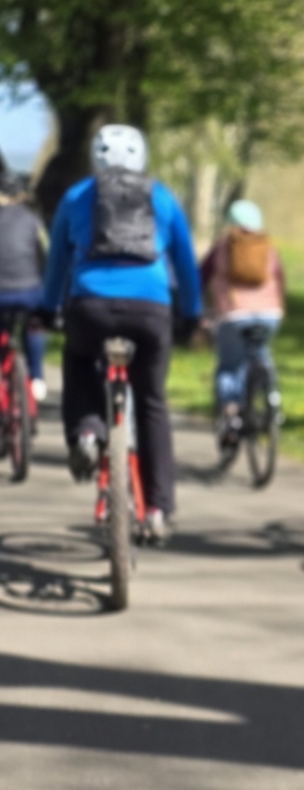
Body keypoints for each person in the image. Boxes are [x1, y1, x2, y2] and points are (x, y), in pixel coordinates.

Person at [42, 124, 202, 543]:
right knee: (151, 403)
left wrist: (48, 307)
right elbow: (186, 262)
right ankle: (158, 510)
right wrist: (192, 313)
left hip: (90, 306)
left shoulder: (76, 197)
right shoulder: (162, 197)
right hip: (150, 311)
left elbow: (58, 260)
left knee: (79, 360)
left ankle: (87, 431)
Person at [200, 199, 286, 447]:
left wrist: (200, 312)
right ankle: (271, 398)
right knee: (261, 354)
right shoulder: (269, 248)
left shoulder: (222, 247)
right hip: (269, 314)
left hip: (233, 314)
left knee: (230, 367)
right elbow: (280, 279)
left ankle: (230, 415)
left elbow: (200, 277)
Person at [0, 172, 48, 402]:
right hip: (29, 291)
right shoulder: (33, 220)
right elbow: (48, 254)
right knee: (34, 325)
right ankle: (36, 376)